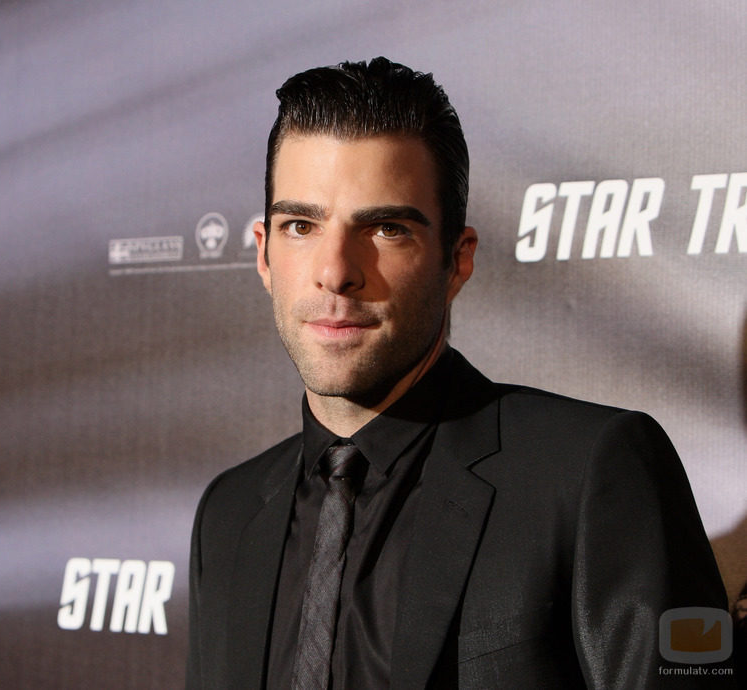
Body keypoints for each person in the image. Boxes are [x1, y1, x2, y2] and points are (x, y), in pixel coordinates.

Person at [185, 57, 733, 688]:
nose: (335, 271)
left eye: (387, 228)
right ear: (263, 253)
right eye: (301, 226)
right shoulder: (228, 516)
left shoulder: (591, 474)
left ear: (458, 259)